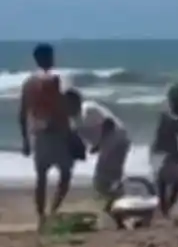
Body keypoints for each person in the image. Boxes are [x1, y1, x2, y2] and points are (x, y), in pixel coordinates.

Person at [18, 43, 74, 228]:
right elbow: (65, 107)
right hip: (58, 132)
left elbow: (22, 112)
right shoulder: (57, 79)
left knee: (41, 178)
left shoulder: (28, 83)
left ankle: (41, 217)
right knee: (65, 174)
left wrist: (25, 140)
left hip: (39, 134)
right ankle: (53, 210)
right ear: (50, 57)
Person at [65, 89, 132, 219]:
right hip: (109, 145)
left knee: (101, 180)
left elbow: (109, 124)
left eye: (66, 103)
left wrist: (98, 144)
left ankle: (119, 205)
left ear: (75, 102)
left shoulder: (88, 109)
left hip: (116, 139)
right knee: (108, 179)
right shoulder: (74, 119)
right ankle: (119, 206)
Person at [150, 83, 178, 218]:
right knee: (175, 181)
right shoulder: (173, 114)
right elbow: (172, 134)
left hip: (161, 149)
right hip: (165, 150)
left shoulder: (166, 113)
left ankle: (164, 209)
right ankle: (164, 209)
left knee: (165, 181)